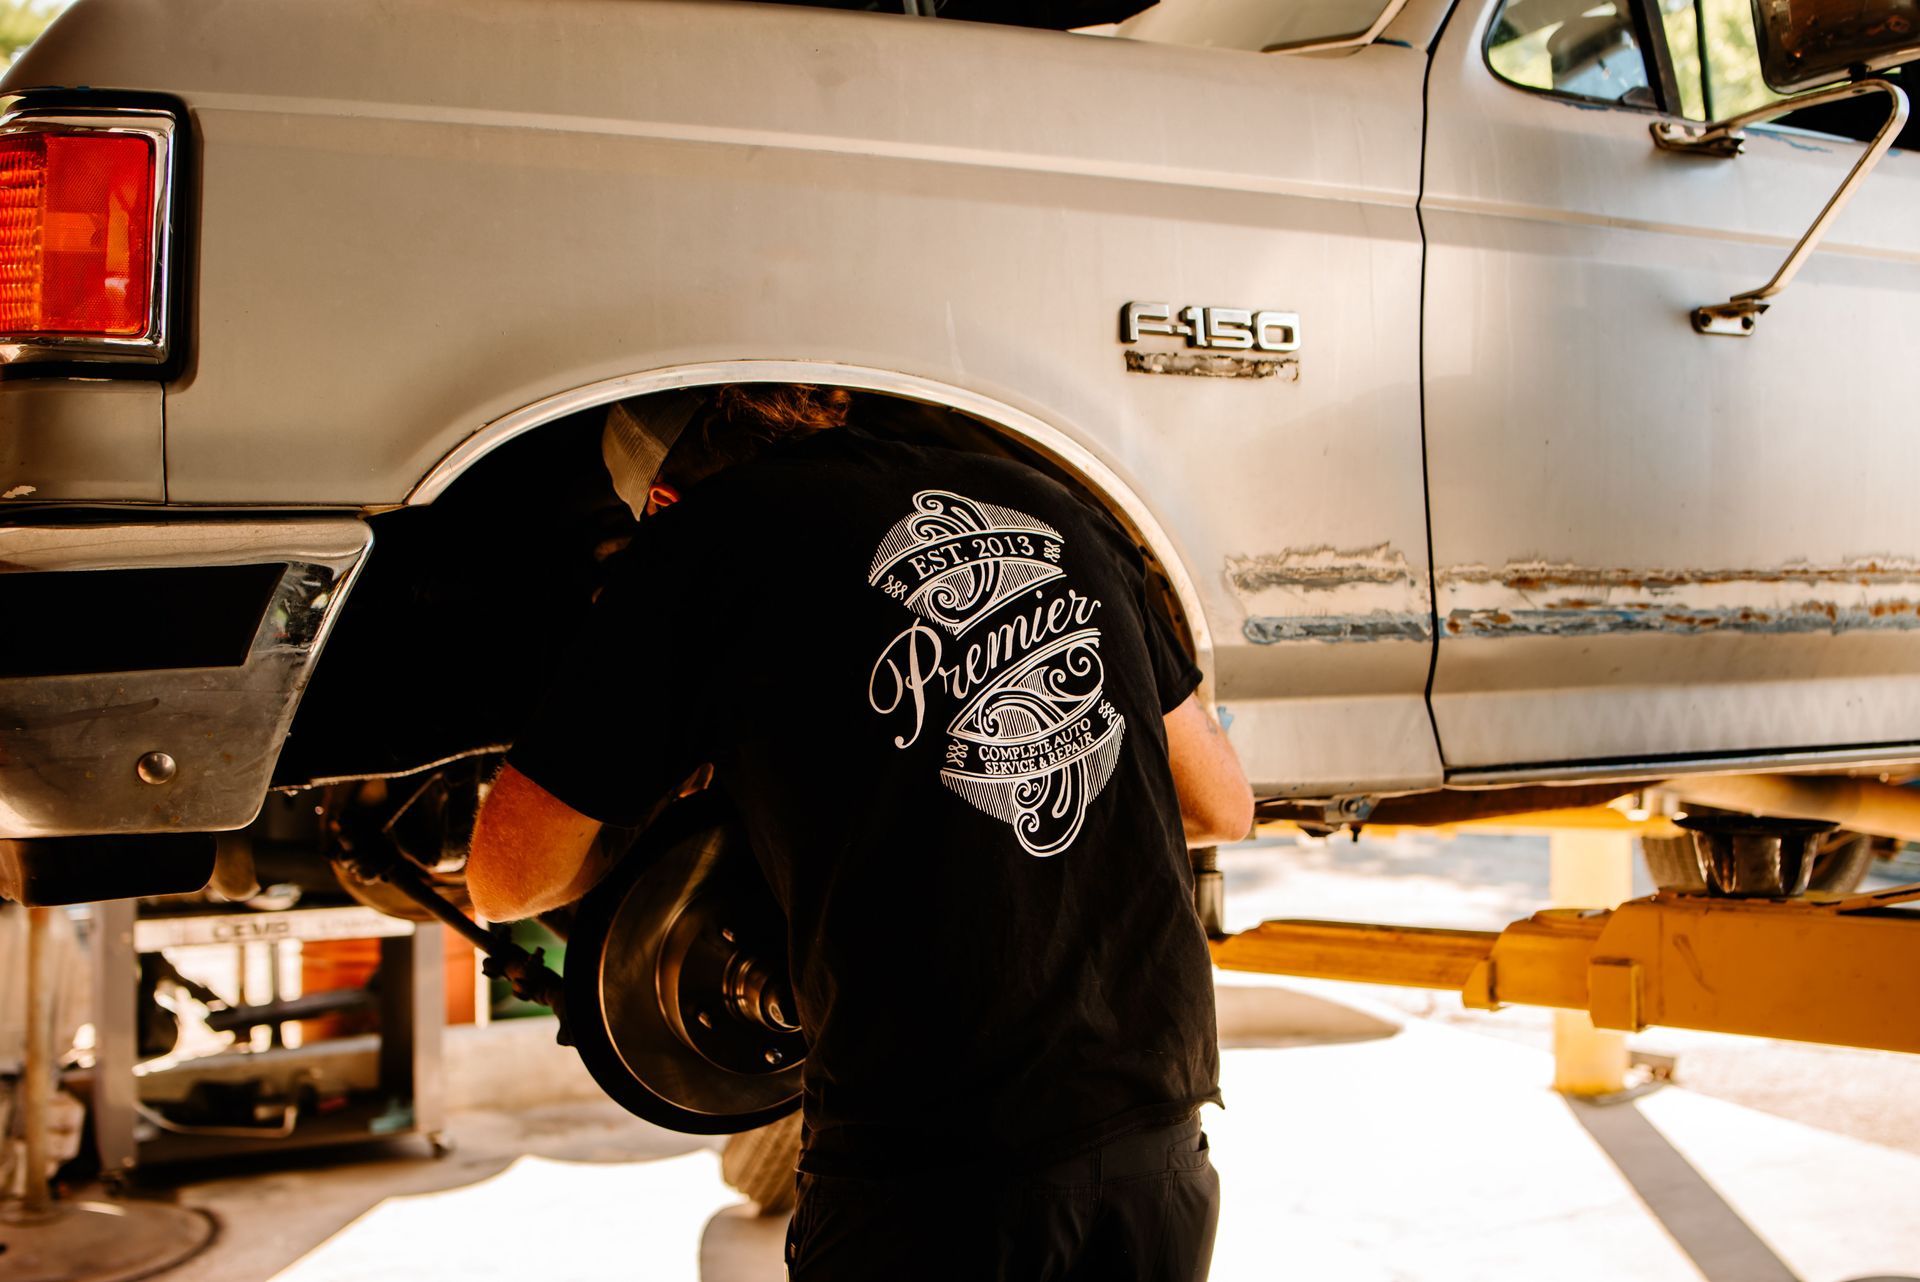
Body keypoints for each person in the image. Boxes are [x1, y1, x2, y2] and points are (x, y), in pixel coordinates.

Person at [465, 383, 1253, 1281]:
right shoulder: (1048, 498)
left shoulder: (701, 541)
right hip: (1158, 1145)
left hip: (934, 1178)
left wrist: (675, 809)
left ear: (662, 502)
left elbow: (508, 881)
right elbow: (1219, 806)